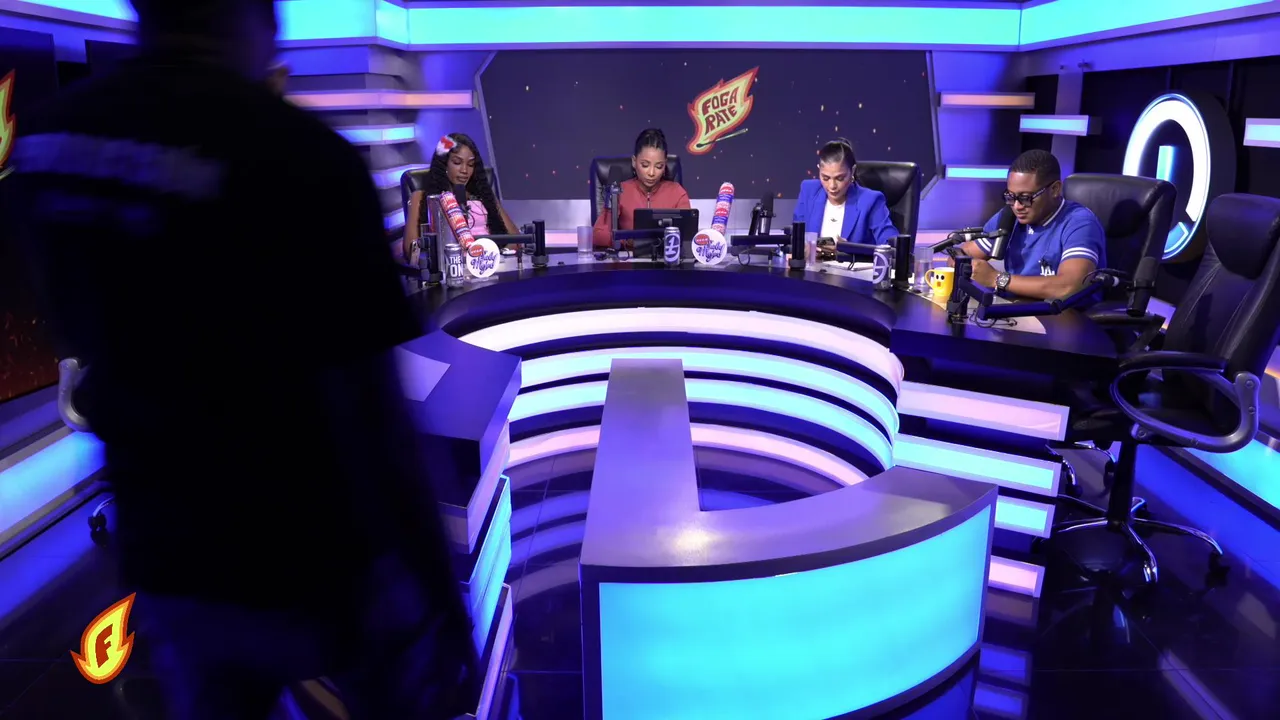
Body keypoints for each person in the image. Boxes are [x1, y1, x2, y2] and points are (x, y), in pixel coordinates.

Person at [4, 1, 478, 718]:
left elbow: (71, 323)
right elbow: (373, 407)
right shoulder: (298, 155)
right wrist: (441, 595)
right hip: (312, 550)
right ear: (253, 18)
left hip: (167, 550)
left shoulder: (48, 140)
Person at [956, 149, 1107, 300]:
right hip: (1013, 307)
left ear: (1055, 189)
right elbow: (961, 255)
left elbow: (1069, 287)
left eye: (1026, 197)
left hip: (1060, 311)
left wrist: (997, 279)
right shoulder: (1009, 216)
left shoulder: (1080, 223)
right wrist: (969, 267)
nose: (1017, 206)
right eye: (1010, 196)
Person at [403, 132, 519, 263]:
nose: (464, 170)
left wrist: (496, 257)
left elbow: (515, 239)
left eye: (470, 165)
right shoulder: (421, 198)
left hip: (490, 263)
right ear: (443, 164)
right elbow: (411, 252)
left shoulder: (484, 196)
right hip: (449, 266)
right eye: (457, 162)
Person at [592, 127, 691, 247]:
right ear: (634, 161)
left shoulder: (677, 193)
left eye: (659, 166)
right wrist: (627, 241)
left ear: (665, 164)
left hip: (667, 256)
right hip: (630, 257)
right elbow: (598, 235)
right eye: (645, 165)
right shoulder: (618, 191)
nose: (651, 173)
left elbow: (687, 236)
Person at [793, 138, 899, 247]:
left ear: (852, 171)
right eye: (825, 178)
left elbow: (892, 246)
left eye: (840, 178)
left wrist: (848, 249)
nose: (832, 186)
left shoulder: (870, 201)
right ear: (819, 169)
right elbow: (796, 237)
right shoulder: (809, 190)